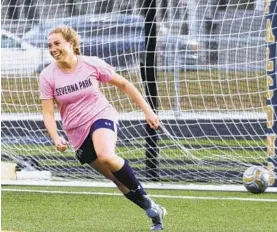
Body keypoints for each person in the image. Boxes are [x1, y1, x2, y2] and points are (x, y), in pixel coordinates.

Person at [39, 26, 166, 231]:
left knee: (106, 155)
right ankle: (152, 209)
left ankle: (145, 198)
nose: (53, 48)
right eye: (50, 45)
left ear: (71, 43)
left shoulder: (91, 64)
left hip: (101, 115)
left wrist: (148, 111)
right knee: (118, 181)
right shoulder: (47, 76)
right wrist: (55, 137)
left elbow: (125, 84)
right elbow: (47, 112)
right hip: (75, 132)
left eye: (57, 43)